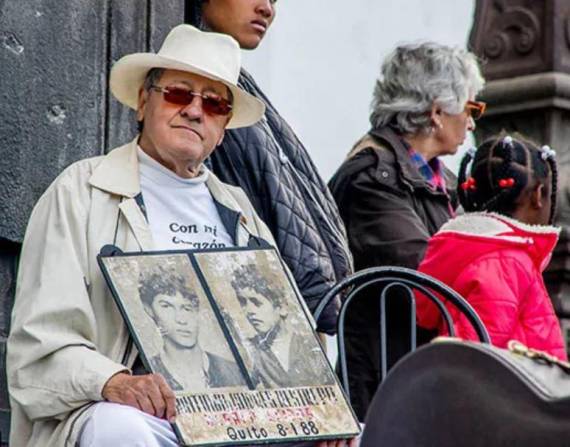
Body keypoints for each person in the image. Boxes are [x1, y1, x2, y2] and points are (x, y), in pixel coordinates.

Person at [7, 23, 355, 447]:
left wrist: (321, 416)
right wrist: (114, 381)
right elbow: (38, 346)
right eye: (177, 93)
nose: (194, 110)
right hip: (143, 417)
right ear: (142, 102)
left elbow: (291, 342)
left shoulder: (243, 214)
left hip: (242, 423)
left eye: (213, 104)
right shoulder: (81, 192)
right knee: (118, 429)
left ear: (224, 127)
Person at [328, 42, 485, 420]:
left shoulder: (441, 180)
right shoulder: (372, 178)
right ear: (436, 111)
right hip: (383, 388)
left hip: (421, 377)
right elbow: (427, 273)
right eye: (471, 108)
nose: (473, 122)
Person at [186, 0, 353, 334]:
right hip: (248, 320)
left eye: (275, 0)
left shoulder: (241, 85)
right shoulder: (206, 91)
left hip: (286, 319)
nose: (266, 8)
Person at [416, 135, 567, 360]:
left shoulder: (479, 250)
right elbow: (478, 363)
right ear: (538, 196)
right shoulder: (505, 261)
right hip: (515, 393)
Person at [231, 264, 335, 388]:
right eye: (243, 303)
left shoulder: (308, 346)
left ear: (281, 307)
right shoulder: (252, 353)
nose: (249, 311)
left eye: (256, 302)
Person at [139, 270, 245, 390]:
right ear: (149, 310)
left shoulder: (233, 371)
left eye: (187, 308)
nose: (181, 319)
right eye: (166, 306)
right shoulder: (143, 376)